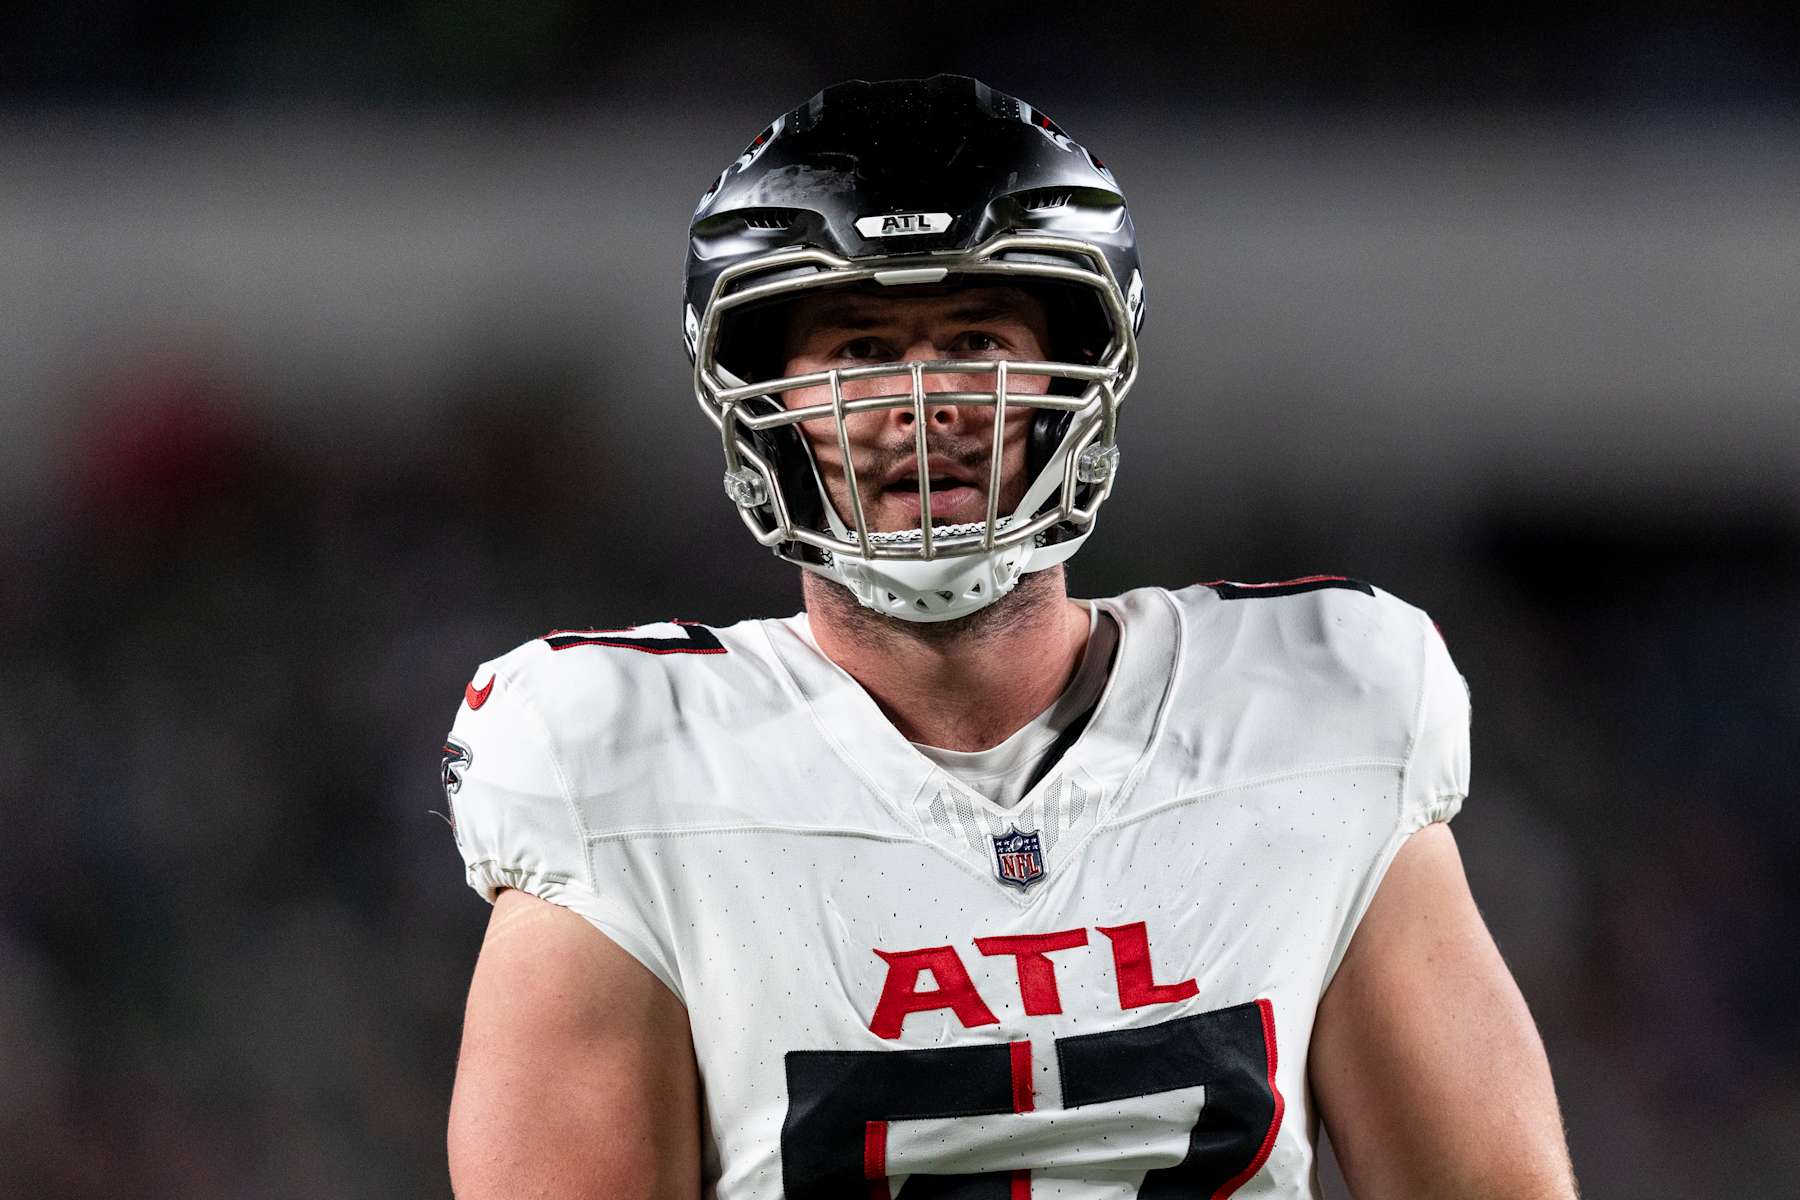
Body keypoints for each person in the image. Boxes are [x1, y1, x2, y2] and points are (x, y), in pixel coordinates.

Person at [440, 76, 1579, 1199]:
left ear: (1070, 374)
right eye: (858, 349)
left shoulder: (1323, 713)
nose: (922, 397)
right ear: (759, 396)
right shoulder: (614, 766)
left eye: (976, 338)